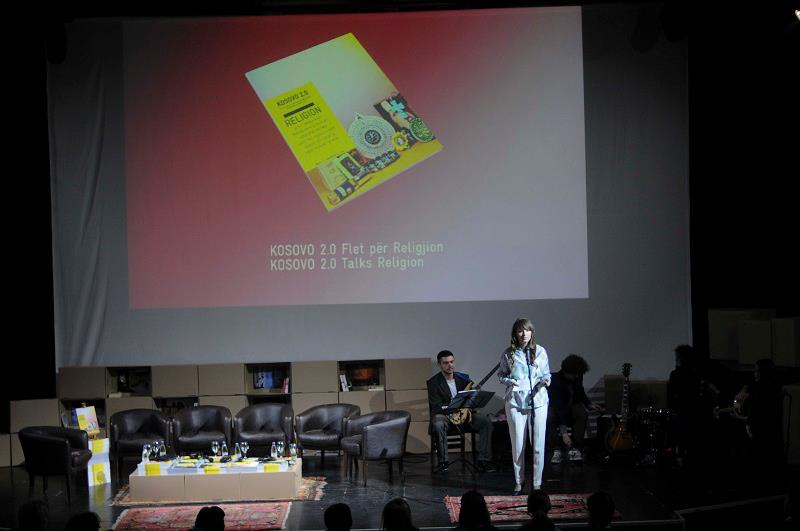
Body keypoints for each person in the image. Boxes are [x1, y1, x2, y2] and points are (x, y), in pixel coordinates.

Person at [498, 318, 551, 494]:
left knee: (537, 444)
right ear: (515, 333)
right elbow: (501, 375)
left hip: (538, 400)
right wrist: (510, 381)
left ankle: (537, 483)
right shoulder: (509, 353)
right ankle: (519, 481)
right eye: (520, 331)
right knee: (518, 444)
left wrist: (546, 381)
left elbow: (546, 374)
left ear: (532, 332)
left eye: (527, 330)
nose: (524, 334)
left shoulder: (540, 351)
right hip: (516, 400)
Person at [427, 350, 495, 473]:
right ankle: (443, 462)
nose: (450, 365)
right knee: (438, 423)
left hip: (464, 416)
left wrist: (473, 397)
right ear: (439, 365)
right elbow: (436, 407)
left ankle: (484, 460)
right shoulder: (434, 382)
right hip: (446, 417)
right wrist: (452, 407)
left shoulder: (463, 378)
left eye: (451, 362)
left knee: (485, 421)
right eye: (446, 363)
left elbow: (470, 398)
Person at [547, 354, 603, 464]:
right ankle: (556, 449)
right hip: (557, 409)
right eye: (575, 374)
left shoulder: (576, 377)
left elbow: (580, 392)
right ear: (566, 372)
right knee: (549, 416)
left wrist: (589, 404)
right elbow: (559, 407)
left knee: (581, 413)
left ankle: (576, 447)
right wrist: (564, 433)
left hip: (570, 407)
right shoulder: (555, 381)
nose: (577, 376)